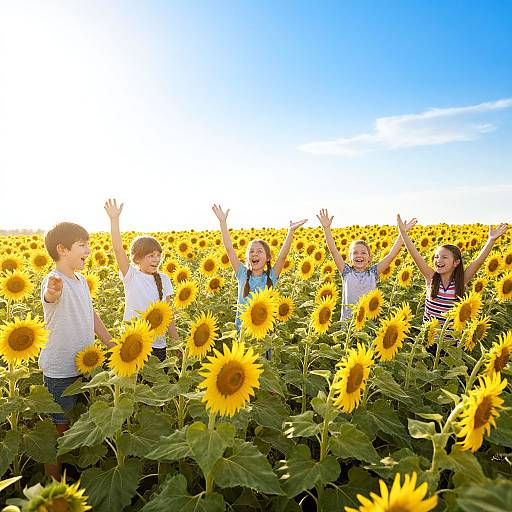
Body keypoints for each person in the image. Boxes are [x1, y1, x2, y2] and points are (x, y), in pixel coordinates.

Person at [40, 221, 114, 479]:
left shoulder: (81, 281)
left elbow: (90, 313)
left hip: (85, 366)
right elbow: (50, 297)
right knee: (58, 431)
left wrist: (108, 341)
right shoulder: (54, 281)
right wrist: (51, 290)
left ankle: (71, 477)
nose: (89, 250)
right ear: (62, 249)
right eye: (83, 245)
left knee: (80, 426)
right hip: (60, 371)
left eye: (88, 245)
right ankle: (52, 488)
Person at [212, 204, 306, 356]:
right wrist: (223, 223)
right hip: (243, 334)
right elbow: (229, 249)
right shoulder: (242, 274)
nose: (255, 254)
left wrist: (290, 232)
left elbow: (282, 256)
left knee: (263, 371)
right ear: (247, 257)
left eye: (260, 251)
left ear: (267, 257)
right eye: (252, 251)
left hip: (263, 335)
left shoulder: (271, 277)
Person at [397, 214, 508, 328]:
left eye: (444, 257)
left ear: (456, 263)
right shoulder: (431, 277)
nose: (438, 260)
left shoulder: (460, 281)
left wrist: (491, 240)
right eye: (436, 257)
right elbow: (415, 256)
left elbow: (478, 262)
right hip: (428, 340)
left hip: (450, 342)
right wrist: (403, 233)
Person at [104, 199, 178, 362]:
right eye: (151, 255)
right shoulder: (131, 276)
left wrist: (176, 342)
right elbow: (118, 249)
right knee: (134, 387)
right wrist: (114, 220)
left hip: (157, 345)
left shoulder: (164, 279)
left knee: (157, 385)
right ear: (137, 258)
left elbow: (169, 314)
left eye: (158, 255)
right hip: (132, 343)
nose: (156, 259)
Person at [317, 208, 417, 319]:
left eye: (363, 253)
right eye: (355, 253)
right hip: (347, 324)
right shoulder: (346, 271)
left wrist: (402, 234)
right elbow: (333, 251)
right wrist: (326, 228)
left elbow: (391, 255)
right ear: (350, 258)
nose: (359, 255)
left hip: (367, 323)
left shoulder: (373, 273)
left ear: (369, 258)